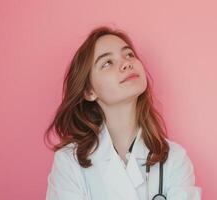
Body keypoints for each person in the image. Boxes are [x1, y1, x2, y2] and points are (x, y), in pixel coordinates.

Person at [44, 25, 202, 200]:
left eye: (129, 55)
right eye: (107, 63)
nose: (126, 63)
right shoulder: (69, 162)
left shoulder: (174, 159)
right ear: (89, 91)